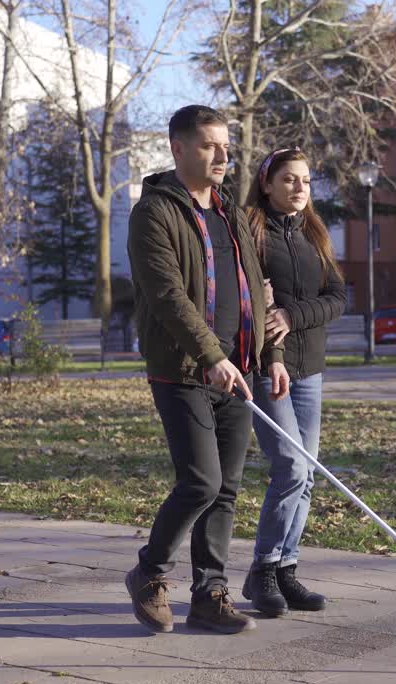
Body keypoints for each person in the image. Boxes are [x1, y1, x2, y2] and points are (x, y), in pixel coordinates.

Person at [124, 105, 281, 635]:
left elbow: (256, 290)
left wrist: (268, 356)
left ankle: (211, 594)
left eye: (227, 146)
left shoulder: (228, 211)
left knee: (228, 487)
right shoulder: (154, 213)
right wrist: (211, 356)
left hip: (239, 371)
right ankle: (149, 572)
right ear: (178, 148)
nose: (223, 156)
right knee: (201, 482)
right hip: (183, 370)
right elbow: (166, 294)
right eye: (211, 145)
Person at [240, 147, 346, 617]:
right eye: (289, 179)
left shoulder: (314, 234)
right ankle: (261, 570)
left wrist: (292, 314)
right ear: (266, 183)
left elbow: (338, 297)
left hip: (311, 370)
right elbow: (253, 304)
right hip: (267, 367)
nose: (300, 187)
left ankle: (286, 568)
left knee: (308, 478)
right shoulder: (250, 230)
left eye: (305, 180)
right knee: (291, 469)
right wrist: (273, 334)